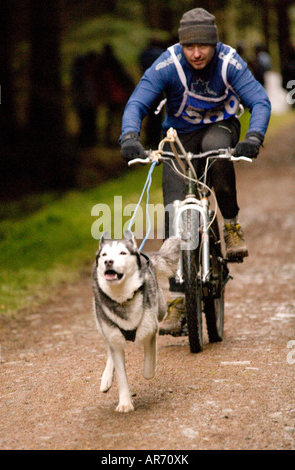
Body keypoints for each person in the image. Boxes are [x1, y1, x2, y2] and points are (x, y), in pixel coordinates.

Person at [120, 8, 271, 335]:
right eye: (190, 47)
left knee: (218, 158)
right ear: (181, 45)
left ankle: (230, 224)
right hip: (179, 134)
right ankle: (178, 299)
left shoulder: (229, 62)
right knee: (174, 213)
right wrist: (129, 136)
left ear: (214, 44)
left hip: (221, 127)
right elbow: (137, 103)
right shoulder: (167, 64)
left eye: (204, 46)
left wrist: (254, 136)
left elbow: (260, 101)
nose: (197, 53)